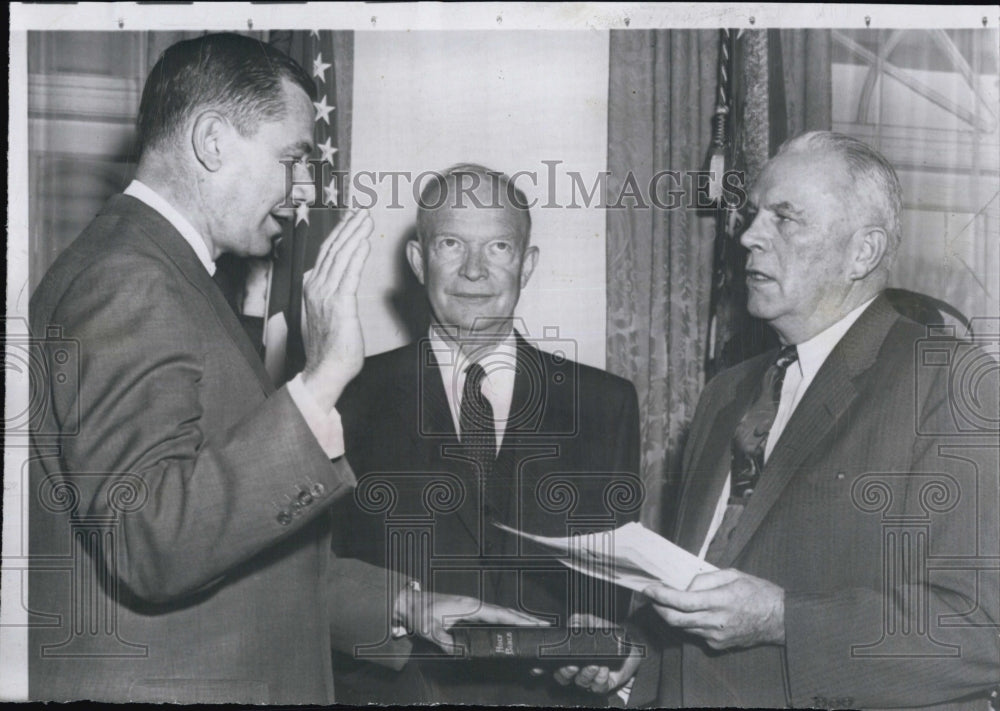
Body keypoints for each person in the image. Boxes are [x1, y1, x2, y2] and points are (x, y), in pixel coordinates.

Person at [28, 34, 541, 705]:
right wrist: (323, 378)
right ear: (213, 141)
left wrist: (406, 604)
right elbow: (147, 540)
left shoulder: (162, 274)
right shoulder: (131, 280)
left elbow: (239, 549)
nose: (303, 189)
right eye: (291, 158)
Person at [559, 131, 1000, 708]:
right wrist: (636, 652)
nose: (748, 236)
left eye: (784, 218)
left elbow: (981, 629)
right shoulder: (726, 394)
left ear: (862, 252)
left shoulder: (949, 382)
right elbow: (710, 598)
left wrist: (784, 620)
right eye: (754, 214)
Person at [332, 164, 642, 705]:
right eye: (451, 243)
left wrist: (607, 635)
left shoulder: (604, 405)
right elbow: (312, 577)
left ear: (527, 264)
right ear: (418, 260)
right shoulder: (347, 396)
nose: (474, 271)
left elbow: (613, 584)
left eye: (498, 246)